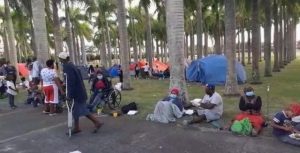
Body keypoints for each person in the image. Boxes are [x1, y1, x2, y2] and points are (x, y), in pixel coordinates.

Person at [58, 52, 102, 135]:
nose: (60, 60)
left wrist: (69, 95)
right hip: (79, 91)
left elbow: (71, 81)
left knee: (82, 110)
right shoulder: (72, 65)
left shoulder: (67, 66)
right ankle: (77, 127)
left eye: (60, 59)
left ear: (62, 59)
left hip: (76, 93)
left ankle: (97, 122)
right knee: (75, 111)